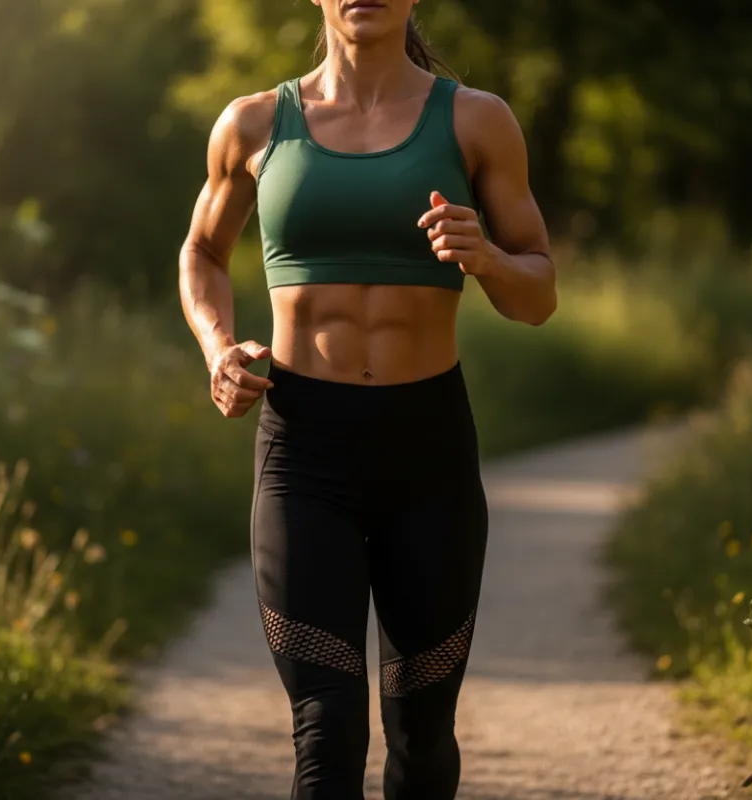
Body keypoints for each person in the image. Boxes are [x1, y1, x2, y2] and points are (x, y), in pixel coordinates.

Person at [178, 1, 556, 797]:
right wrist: (220, 350)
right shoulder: (253, 124)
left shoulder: (477, 122)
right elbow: (203, 252)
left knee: (421, 734)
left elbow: (538, 295)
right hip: (304, 451)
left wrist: (484, 256)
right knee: (328, 723)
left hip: (429, 454)